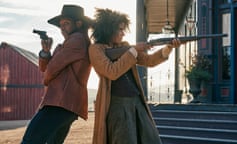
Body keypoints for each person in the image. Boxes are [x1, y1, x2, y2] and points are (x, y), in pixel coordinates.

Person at [89, 8, 183, 144]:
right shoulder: (96, 49)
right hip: (118, 105)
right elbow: (111, 72)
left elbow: (149, 61)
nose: (123, 33)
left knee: (151, 139)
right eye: (120, 29)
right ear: (108, 29)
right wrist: (133, 51)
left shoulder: (125, 47)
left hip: (137, 102)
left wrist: (168, 48)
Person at [21, 4, 92, 144]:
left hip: (59, 103)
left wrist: (47, 79)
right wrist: (46, 51)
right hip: (66, 104)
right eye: (60, 25)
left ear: (78, 23)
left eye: (66, 24)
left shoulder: (76, 39)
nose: (62, 28)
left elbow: (49, 71)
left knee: (30, 140)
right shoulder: (73, 42)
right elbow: (45, 68)